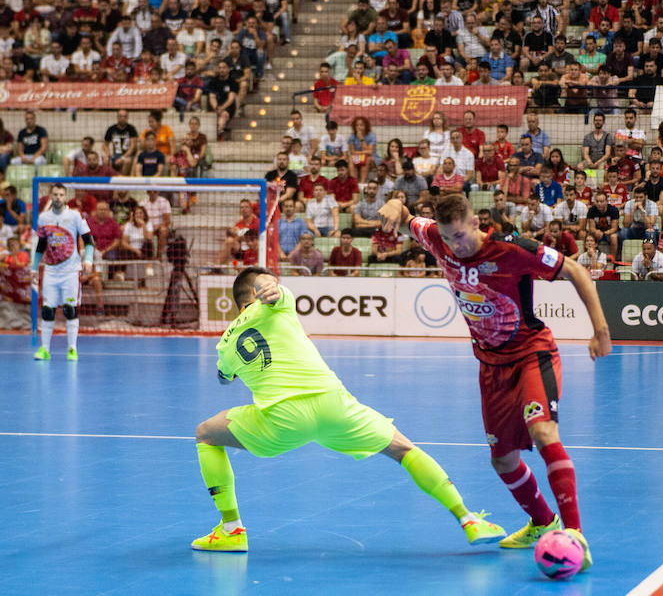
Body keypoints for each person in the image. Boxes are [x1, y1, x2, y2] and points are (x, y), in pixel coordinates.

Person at [191, 266, 507, 551]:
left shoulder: (226, 341)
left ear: (237, 301)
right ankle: (468, 520)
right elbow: (270, 287)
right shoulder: (278, 302)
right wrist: (269, 284)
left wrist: (228, 365)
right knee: (403, 449)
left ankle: (231, 529)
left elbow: (224, 377)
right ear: (259, 291)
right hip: (333, 406)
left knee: (206, 433)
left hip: (279, 421)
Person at [378, 193, 611, 573]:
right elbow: (406, 218)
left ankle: (575, 535)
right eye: (449, 238)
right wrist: (393, 203)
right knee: (502, 460)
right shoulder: (434, 237)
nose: (457, 245)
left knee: (543, 432)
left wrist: (600, 329)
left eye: (461, 235)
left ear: (475, 223)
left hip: (532, 353)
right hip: (490, 364)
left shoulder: (512, 250)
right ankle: (542, 522)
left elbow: (576, 270)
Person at [32, 184, 94, 361]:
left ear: (65, 197)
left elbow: (88, 240)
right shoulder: (44, 218)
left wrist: (88, 260)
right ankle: (45, 350)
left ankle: (72, 349)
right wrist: (33, 267)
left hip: (70, 271)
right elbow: (40, 245)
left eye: (61, 194)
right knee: (47, 310)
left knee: (70, 309)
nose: (58, 197)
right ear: (50, 196)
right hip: (51, 271)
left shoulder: (75, 215)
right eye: (55, 194)